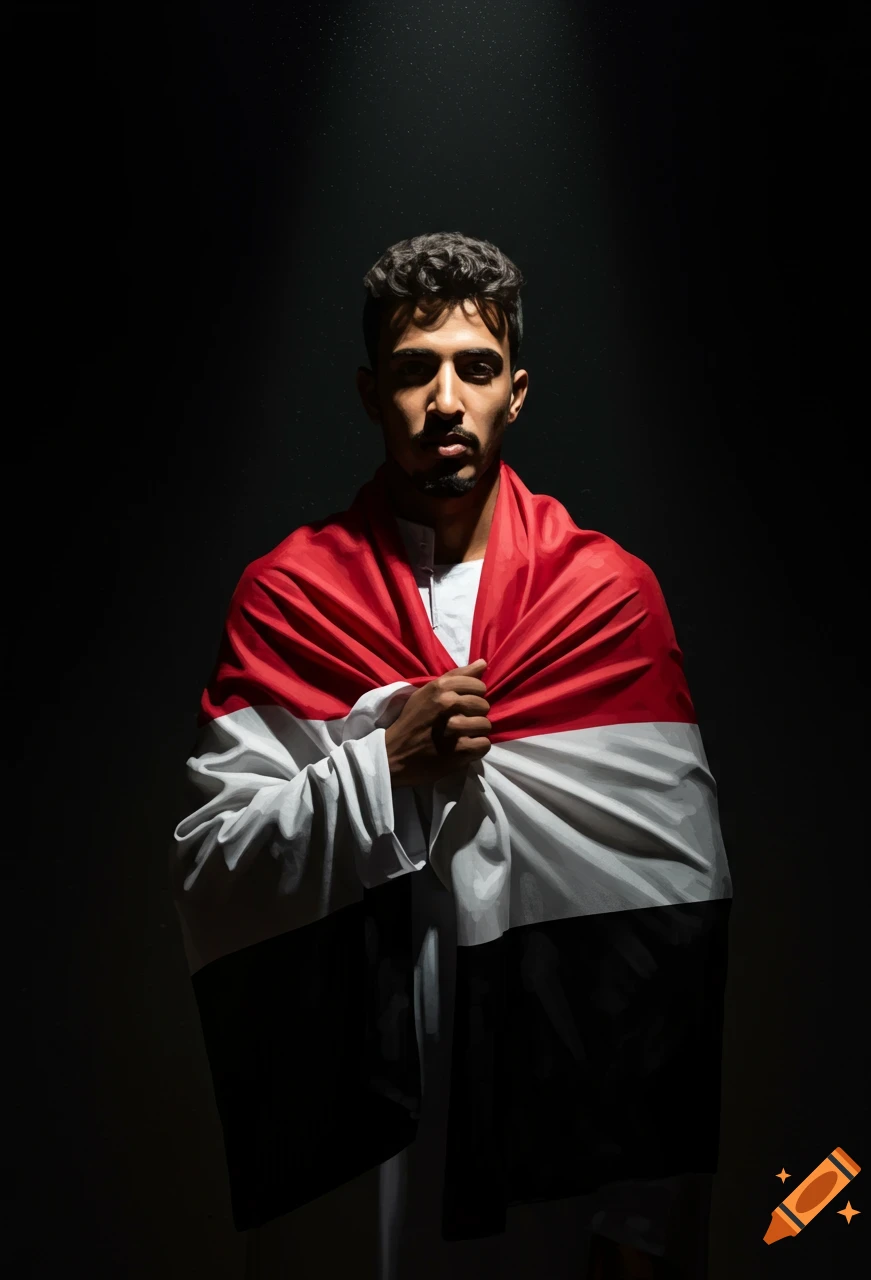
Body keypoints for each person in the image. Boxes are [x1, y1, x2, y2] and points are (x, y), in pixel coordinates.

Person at [170, 232, 732, 1280]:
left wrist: (643, 1216)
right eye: (412, 370)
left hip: (554, 1158)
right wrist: (380, 763)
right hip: (348, 1164)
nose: (444, 401)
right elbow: (214, 868)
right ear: (368, 392)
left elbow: (672, 923)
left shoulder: (610, 601)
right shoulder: (286, 598)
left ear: (515, 391)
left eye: (475, 367)